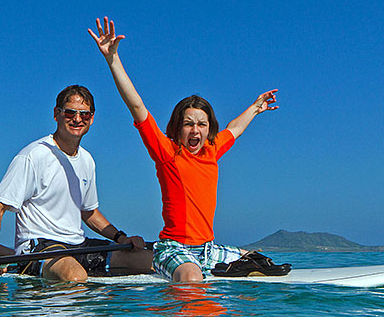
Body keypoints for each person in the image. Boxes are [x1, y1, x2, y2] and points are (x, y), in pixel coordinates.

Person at [89, 16, 280, 282]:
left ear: (208, 128)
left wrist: (256, 108)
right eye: (188, 124)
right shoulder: (167, 153)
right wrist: (113, 60)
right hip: (174, 249)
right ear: (178, 128)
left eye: (201, 124)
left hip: (209, 250)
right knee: (191, 278)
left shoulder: (212, 151)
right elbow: (137, 108)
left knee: (261, 263)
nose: (195, 130)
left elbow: (234, 128)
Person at [0, 85, 153, 282]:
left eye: (84, 115)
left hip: (78, 246)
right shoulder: (33, 156)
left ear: (92, 118)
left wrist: (121, 238)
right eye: (70, 112)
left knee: (149, 261)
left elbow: (89, 213)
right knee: (75, 276)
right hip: (39, 247)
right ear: (56, 114)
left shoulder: (87, 160)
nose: (77, 119)